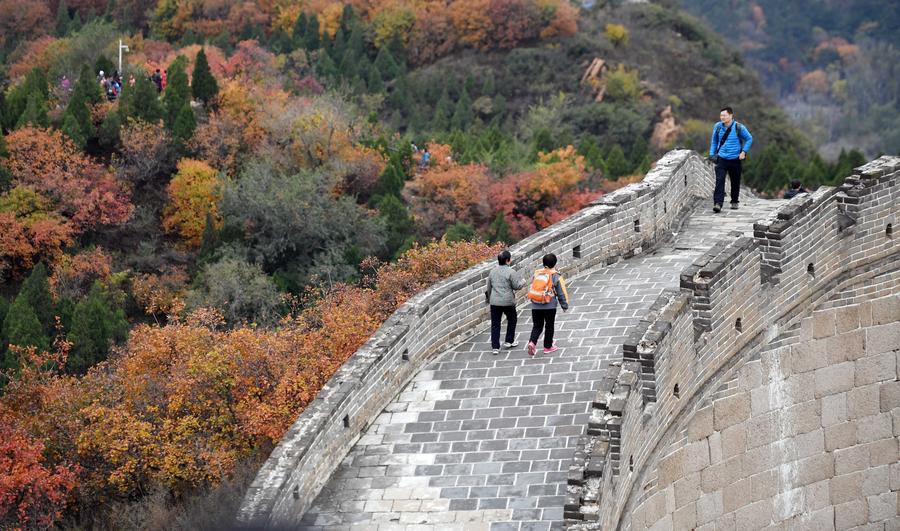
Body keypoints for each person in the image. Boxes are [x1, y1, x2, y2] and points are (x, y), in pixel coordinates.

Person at [709, 106, 753, 212]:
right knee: (719, 181)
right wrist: (712, 154)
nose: (722, 117)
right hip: (722, 158)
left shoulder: (739, 127)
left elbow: (749, 138)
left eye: (724, 115)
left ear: (731, 115)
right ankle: (718, 204)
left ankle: (734, 201)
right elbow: (714, 141)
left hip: (735, 159)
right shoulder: (718, 126)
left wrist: (744, 151)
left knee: (735, 181)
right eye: (721, 115)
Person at [526, 253, 570, 356]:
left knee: (537, 326)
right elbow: (561, 292)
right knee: (549, 326)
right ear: (555, 263)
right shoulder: (556, 276)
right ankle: (547, 346)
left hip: (536, 304)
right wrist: (564, 305)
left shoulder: (537, 273)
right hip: (549, 305)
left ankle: (532, 342)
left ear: (543, 263)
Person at [485, 250, 526, 355]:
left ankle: (495, 347)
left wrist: (489, 299)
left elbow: (489, 287)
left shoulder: (492, 271)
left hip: (495, 302)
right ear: (508, 260)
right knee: (512, 319)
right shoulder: (511, 272)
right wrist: (523, 282)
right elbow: (516, 286)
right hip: (508, 301)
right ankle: (509, 341)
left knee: (495, 324)